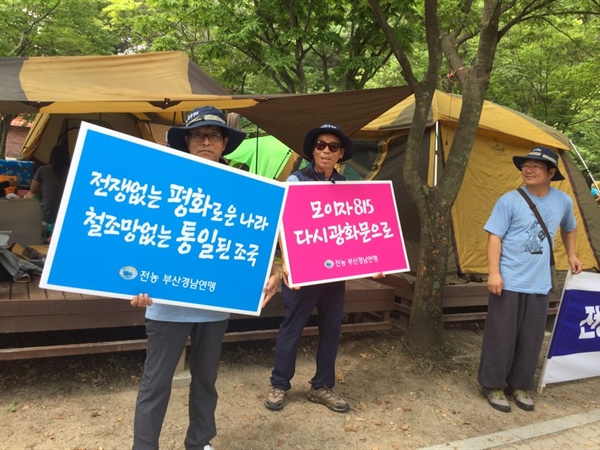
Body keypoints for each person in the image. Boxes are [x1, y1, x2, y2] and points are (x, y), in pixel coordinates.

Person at [130, 106, 281, 450]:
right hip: (165, 306)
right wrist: (134, 283)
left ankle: (199, 443)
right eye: (198, 135)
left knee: (206, 381)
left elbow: (257, 240)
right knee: (156, 383)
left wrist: (275, 271)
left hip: (215, 304)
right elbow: (141, 234)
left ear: (224, 143)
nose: (206, 141)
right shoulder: (164, 181)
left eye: (213, 135)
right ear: (187, 141)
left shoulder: (244, 190)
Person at [478, 146, 583, 413]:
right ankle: (493, 385)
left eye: (536, 166)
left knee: (531, 338)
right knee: (501, 336)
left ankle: (520, 385)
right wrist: (494, 272)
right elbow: (495, 236)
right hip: (509, 280)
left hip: (539, 282)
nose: (529, 169)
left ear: (551, 173)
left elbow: (570, 227)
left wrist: (572, 255)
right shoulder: (509, 200)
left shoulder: (562, 202)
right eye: (526, 165)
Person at [264, 124, 354, 413]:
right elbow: (280, 221)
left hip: (334, 272)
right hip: (301, 270)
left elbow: (354, 230)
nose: (325, 150)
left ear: (340, 153)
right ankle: (279, 384)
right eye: (320, 145)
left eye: (332, 146)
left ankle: (322, 386)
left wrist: (373, 262)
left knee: (332, 328)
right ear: (312, 150)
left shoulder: (347, 185)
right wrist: (286, 260)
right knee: (292, 327)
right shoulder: (296, 179)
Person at [29, 144, 71, 224]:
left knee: (30, 194)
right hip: (66, 215)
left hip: (47, 215)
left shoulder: (43, 170)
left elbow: (33, 189)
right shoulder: (73, 172)